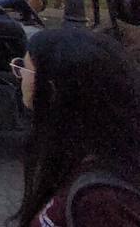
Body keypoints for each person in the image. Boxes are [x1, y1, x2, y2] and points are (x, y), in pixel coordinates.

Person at [10, 28, 140, 226]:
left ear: (53, 89)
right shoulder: (78, 158)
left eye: (24, 68)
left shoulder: (103, 200)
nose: (19, 75)